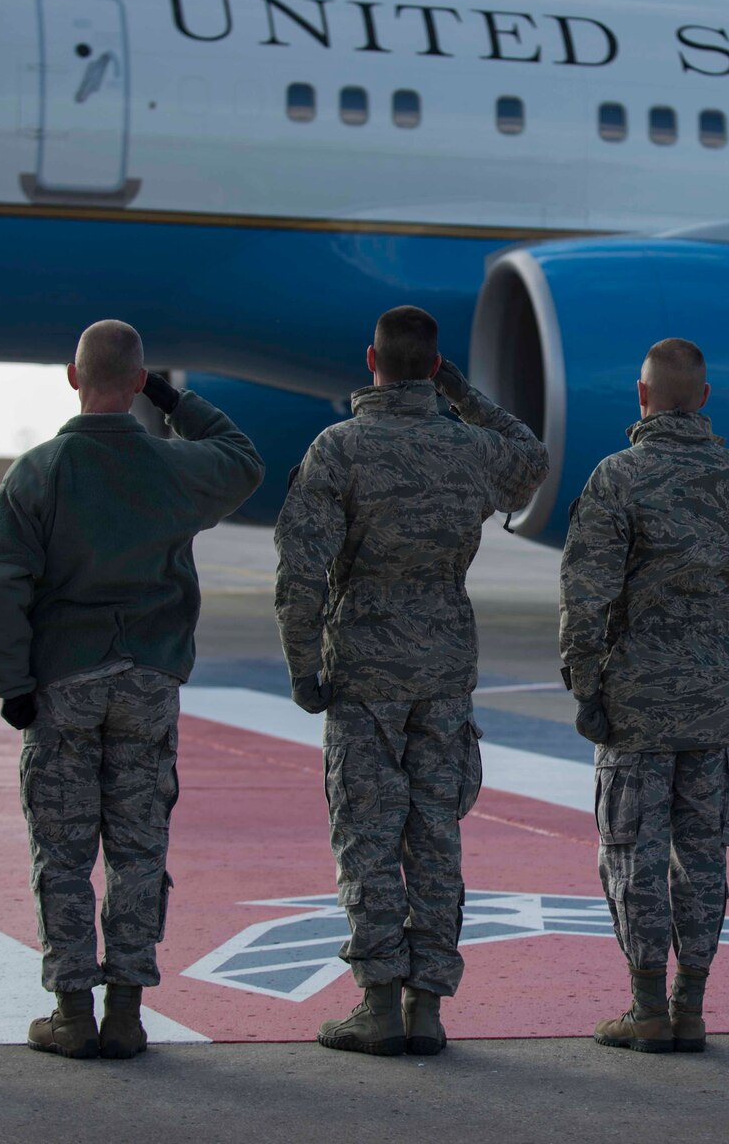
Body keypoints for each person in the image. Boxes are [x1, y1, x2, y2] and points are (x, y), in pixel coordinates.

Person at [0, 320, 263, 1060]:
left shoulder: (38, 471)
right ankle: (127, 1010)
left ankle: (72, 1012)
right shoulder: (174, 466)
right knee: (138, 849)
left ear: (73, 378)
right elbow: (243, 458)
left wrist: (13, 683)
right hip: (148, 679)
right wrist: (174, 400)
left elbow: (0, 586)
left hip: (63, 680)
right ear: (138, 382)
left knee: (63, 852)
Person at [275, 305, 547, 1057]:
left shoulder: (339, 449)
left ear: (371, 360)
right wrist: (461, 395)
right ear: (433, 367)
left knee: (367, 835)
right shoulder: (471, 448)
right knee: (435, 834)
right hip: (444, 669)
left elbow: (300, 573)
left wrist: (305, 667)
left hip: (363, 670)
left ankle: (378, 1003)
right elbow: (531, 455)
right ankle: (427, 1003)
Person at [558, 338, 729, 1054]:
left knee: (634, 853)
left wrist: (584, 682)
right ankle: (692, 1005)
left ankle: (648, 1007)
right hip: (713, 699)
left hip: (637, 702)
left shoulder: (618, 477)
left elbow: (585, 594)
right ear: (706, 398)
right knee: (705, 854)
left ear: (642, 395)